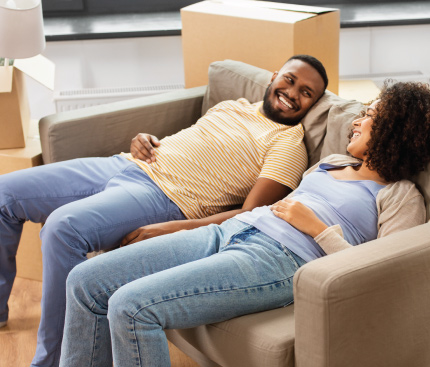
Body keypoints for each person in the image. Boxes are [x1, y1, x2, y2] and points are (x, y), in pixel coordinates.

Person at [59, 82, 430, 366]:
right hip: (228, 233)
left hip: (277, 261)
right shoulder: (334, 162)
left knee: (132, 307)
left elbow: (383, 273)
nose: (356, 121)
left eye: (370, 116)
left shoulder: (399, 194)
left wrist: (317, 228)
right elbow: (256, 208)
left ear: (396, 130)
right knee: (85, 280)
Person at [0, 54, 328, 367]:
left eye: (306, 93)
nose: (292, 93)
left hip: (161, 195)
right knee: (5, 193)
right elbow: (189, 146)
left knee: (62, 229)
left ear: (312, 104)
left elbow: (250, 213)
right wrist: (144, 141)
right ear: (275, 77)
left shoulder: (288, 143)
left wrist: (176, 227)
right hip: (126, 164)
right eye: (289, 80)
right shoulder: (233, 107)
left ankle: (52, 359)